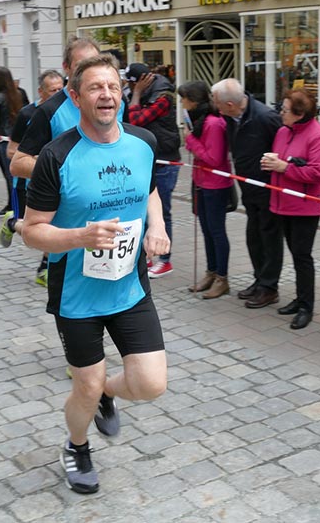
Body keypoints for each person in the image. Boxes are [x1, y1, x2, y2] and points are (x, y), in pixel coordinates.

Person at [22, 54, 169, 495]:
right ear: (75, 96)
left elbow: (150, 190)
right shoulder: (56, 155)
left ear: (121, 94)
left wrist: (158, 226)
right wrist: (80, 236)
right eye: (94, 88)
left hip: (129, 285)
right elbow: (31, 231)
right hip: (77, 296)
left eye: (112, 87)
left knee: (150, 384)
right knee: (84, 386)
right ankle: (77, 445)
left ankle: (108, 392)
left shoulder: (143, 142)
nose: (106, 95)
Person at [12, 37, 106, 287]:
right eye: (81, 65)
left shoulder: (113, 103)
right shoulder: (49, 110)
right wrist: (65, 172)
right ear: (66, 68)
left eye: (94, 63)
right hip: (67, 214)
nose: (89, 71)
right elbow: (18, 163)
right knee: (72, 285)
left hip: (104, 206)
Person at [259, 89, 320, 330]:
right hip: (282, 203)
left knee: (302, 256)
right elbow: (283, 161)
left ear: (299, 114)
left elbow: (317, 172)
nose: (281, 112)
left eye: (285, 109)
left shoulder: (318, 136)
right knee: (294, 253)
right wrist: (271, 164)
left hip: (304, 207)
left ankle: (306, 306)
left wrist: (283, 168)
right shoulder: (283, 131)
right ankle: (299, 299)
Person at [211, 78, 283, 310]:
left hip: (267, 188)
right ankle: (259, 279)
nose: (215, 107)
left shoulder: (265, 117)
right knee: (254, 236)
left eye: (217, 103)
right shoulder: (231, 116)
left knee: (269, 238)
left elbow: (281, 149)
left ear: (230, 104)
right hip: (249, 188)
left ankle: (269, 288)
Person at [125, 62, 180, 278]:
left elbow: (135, 120)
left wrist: (136, 95)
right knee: (144, 211)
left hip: (166, 161)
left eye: (132, 84)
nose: (130, 87)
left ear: (141, 82)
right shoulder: (148, 91)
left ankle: (165, 260)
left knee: (161, 212)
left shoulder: (163, 96)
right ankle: (148, 255)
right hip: (149, 159)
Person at [179, 80, 232, 299]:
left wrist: (190, 139)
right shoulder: (200, 121)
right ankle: (211, 272)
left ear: (193, 101)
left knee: (216, 231)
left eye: (183, 99)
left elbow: (214, 158)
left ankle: (222, 278)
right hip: (201, 182)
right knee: (206, 231)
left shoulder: (213, 123)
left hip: (216, 185)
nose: (181, 103)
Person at [0, 69, 64, 248]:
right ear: (41, 92)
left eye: (61, 89)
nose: (58, 94)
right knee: (30, 229)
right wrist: (38, 160)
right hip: (27, 180)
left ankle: (47, 263)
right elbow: (11, 151)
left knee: (53, 227)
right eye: (53, 90)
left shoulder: (68, 112)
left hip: (57, 179)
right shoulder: (27, 114)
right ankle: (12, 222)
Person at [0, 67, 24, 216]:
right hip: (20, 138)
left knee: (9, 175)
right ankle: (18, 204)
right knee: (19, 175)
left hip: (4, 140)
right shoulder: (19, 94)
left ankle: (13, 206)